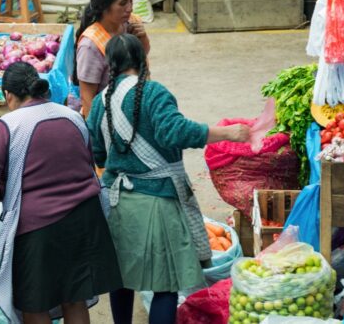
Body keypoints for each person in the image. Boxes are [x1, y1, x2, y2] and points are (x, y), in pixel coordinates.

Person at [86, 34, 252, 324]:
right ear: (143, 61)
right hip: (157, 202)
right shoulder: (153, 93)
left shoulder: (100, 102)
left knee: (122, 279)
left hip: (116, 203)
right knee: (166, 284)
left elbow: (97, 154)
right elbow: (176, 132)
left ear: (109, 65)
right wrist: (228, 133)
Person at [0, 62, 122, 324]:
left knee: (35, 304)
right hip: (85, 220)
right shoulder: (72, 116)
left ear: (8, 95)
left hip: (38, 230)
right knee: (74, 299)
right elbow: (88, 161)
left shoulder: (7, 125)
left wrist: (7, 192)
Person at [73, 0, 150, 118]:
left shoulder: (129, 24)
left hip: (132, 109)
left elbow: (143, 55)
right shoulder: (90, 45)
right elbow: (87, 99)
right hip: (108, 118)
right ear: (103, 6)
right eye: (123, 3)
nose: (130, 8)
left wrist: (143, 38)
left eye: (131, 0)